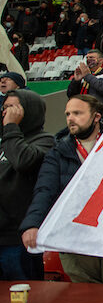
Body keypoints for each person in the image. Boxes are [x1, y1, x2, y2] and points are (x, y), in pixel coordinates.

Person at [21, 95, 103, 286]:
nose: (70, 118)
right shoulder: (58, 151)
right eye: (68, 114)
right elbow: (45, 189)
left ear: (96, 116)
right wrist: (32, 223)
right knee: (85, 291)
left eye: (77, 113)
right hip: (74, 233)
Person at [0, 90, 54, 279]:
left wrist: (11, 128)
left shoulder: (45, 141)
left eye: (13, 107)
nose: (7, 112)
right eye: (5, 107)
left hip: (17, 238)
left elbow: (23, 161)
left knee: (23, 298)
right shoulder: (5, 140)